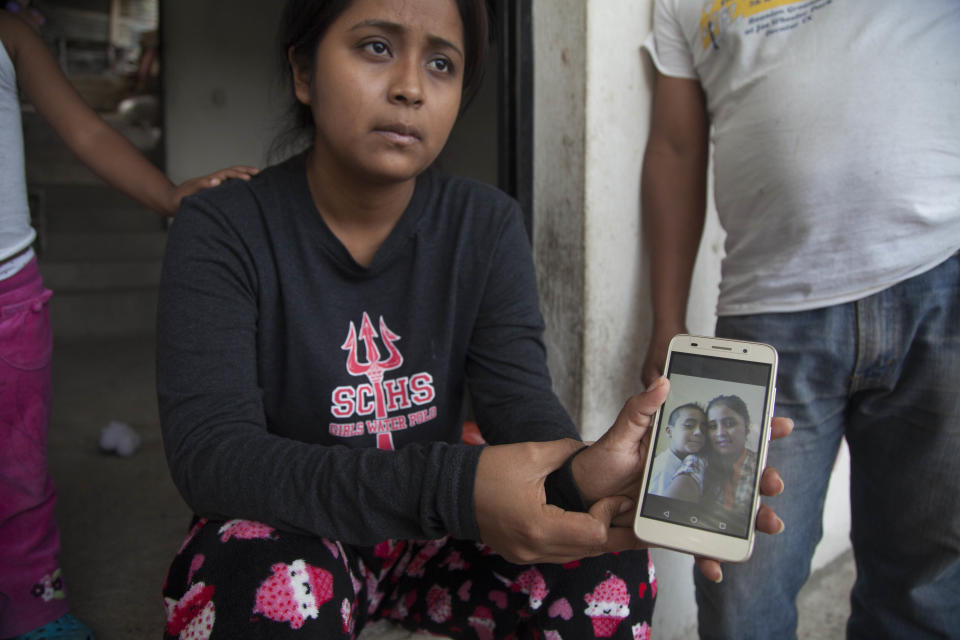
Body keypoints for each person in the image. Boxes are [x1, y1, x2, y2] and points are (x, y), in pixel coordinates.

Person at [155, 0, 792, 637]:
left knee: (606, 570)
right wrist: (458, 485)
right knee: (252, 576)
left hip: (441, 534)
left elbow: (520, 407)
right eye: (376, 47)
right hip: (302, 521)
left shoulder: (484, 224)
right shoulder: (224, 227)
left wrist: (589, 475)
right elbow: (214, 458)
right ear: (303, 71)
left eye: (441, 63)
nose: (409, 87)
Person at [639, 1, 960, 638]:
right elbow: (675, 150)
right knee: (737, 588)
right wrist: (667, 319)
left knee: (927, 585)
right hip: (766, 322)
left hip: (940, 280)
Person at [0, 9, 258, 639]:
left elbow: (87, 134)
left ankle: (34, 611)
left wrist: (169, 197)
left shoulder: (9, 33)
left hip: (8, 298)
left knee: (19, 472)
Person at [647, 402, 707, 498]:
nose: (698, 432)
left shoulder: (693, 462)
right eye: (689, 425)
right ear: (669, 431)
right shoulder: (663, 467)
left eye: (704, 429)